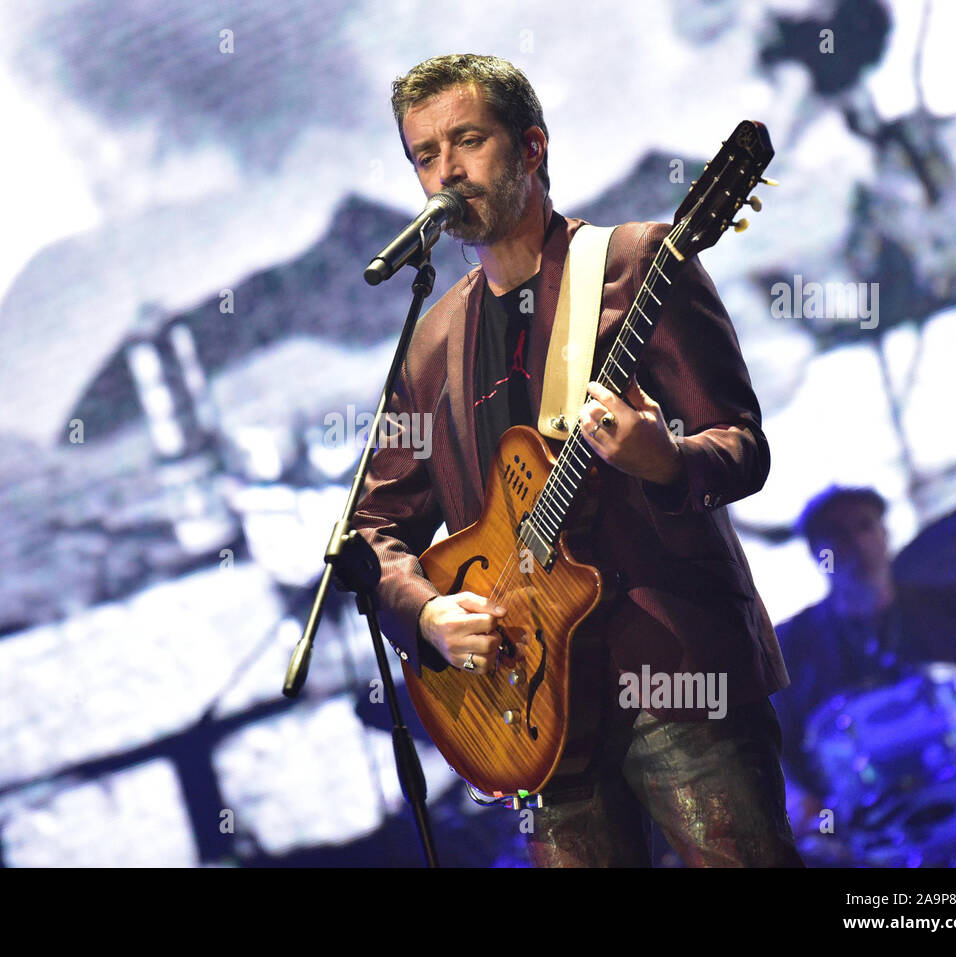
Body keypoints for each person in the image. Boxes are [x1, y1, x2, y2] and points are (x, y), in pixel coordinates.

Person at [352, 54, 801, 867]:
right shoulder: (426, 348)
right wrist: (424, 613)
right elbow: (374, 526)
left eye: (467, 141)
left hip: (675, 675)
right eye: (425, 155)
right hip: (530, 711)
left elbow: (741, 442)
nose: (447, 171)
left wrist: (665, 460)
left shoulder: (635, 262)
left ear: (532, 147)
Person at [774, 485, 956, 841]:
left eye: (866, 526)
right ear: (818, 554)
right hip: (866, 836)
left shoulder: (955, 605)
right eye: (839, 535)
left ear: (884, 534)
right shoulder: (789, 645)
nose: (858, 541)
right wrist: (808, 811)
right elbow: (774, 752)